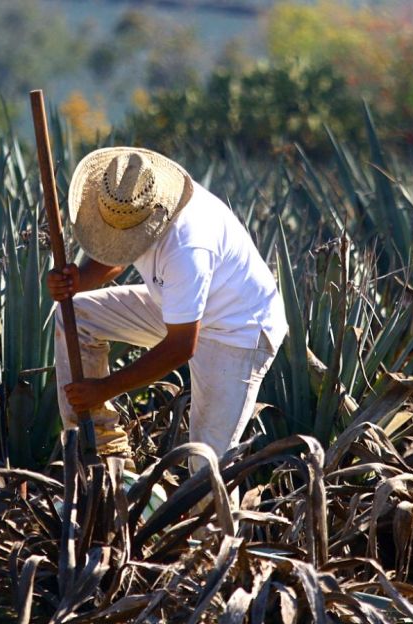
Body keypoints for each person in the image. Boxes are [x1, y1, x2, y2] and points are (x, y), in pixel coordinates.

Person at [46, 147, 287, 467]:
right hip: (180, 308)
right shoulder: (131, 200)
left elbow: (180, 347)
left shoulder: (187, 247)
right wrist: (77, 280)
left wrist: (103, 388)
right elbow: (116, 249)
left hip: (237, 331)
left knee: (206, 469)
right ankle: (103, 449)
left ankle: (219, 518)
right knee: (75, 314)